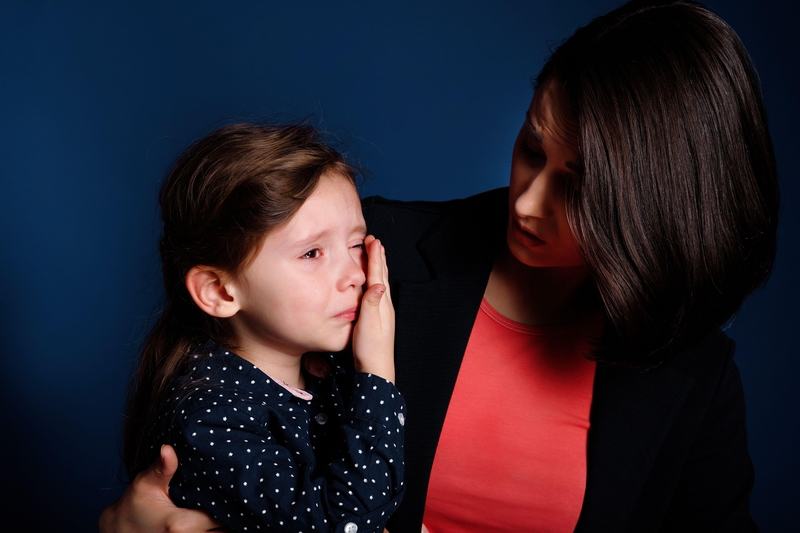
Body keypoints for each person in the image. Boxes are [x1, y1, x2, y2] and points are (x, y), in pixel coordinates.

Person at [100, 1, 779, 531]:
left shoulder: (695, 375)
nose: (528, 199)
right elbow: (208, 442)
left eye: (578, 185)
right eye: (532, 147)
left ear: (657, 209)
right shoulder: (365, 258)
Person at [118, 123, 405, 533]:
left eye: (356, 245)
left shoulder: (325, 371)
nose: (354, 275)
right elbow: (343, 523)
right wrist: (376, 372)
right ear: (218, 290)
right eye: (312, 253)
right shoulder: (209, 418)